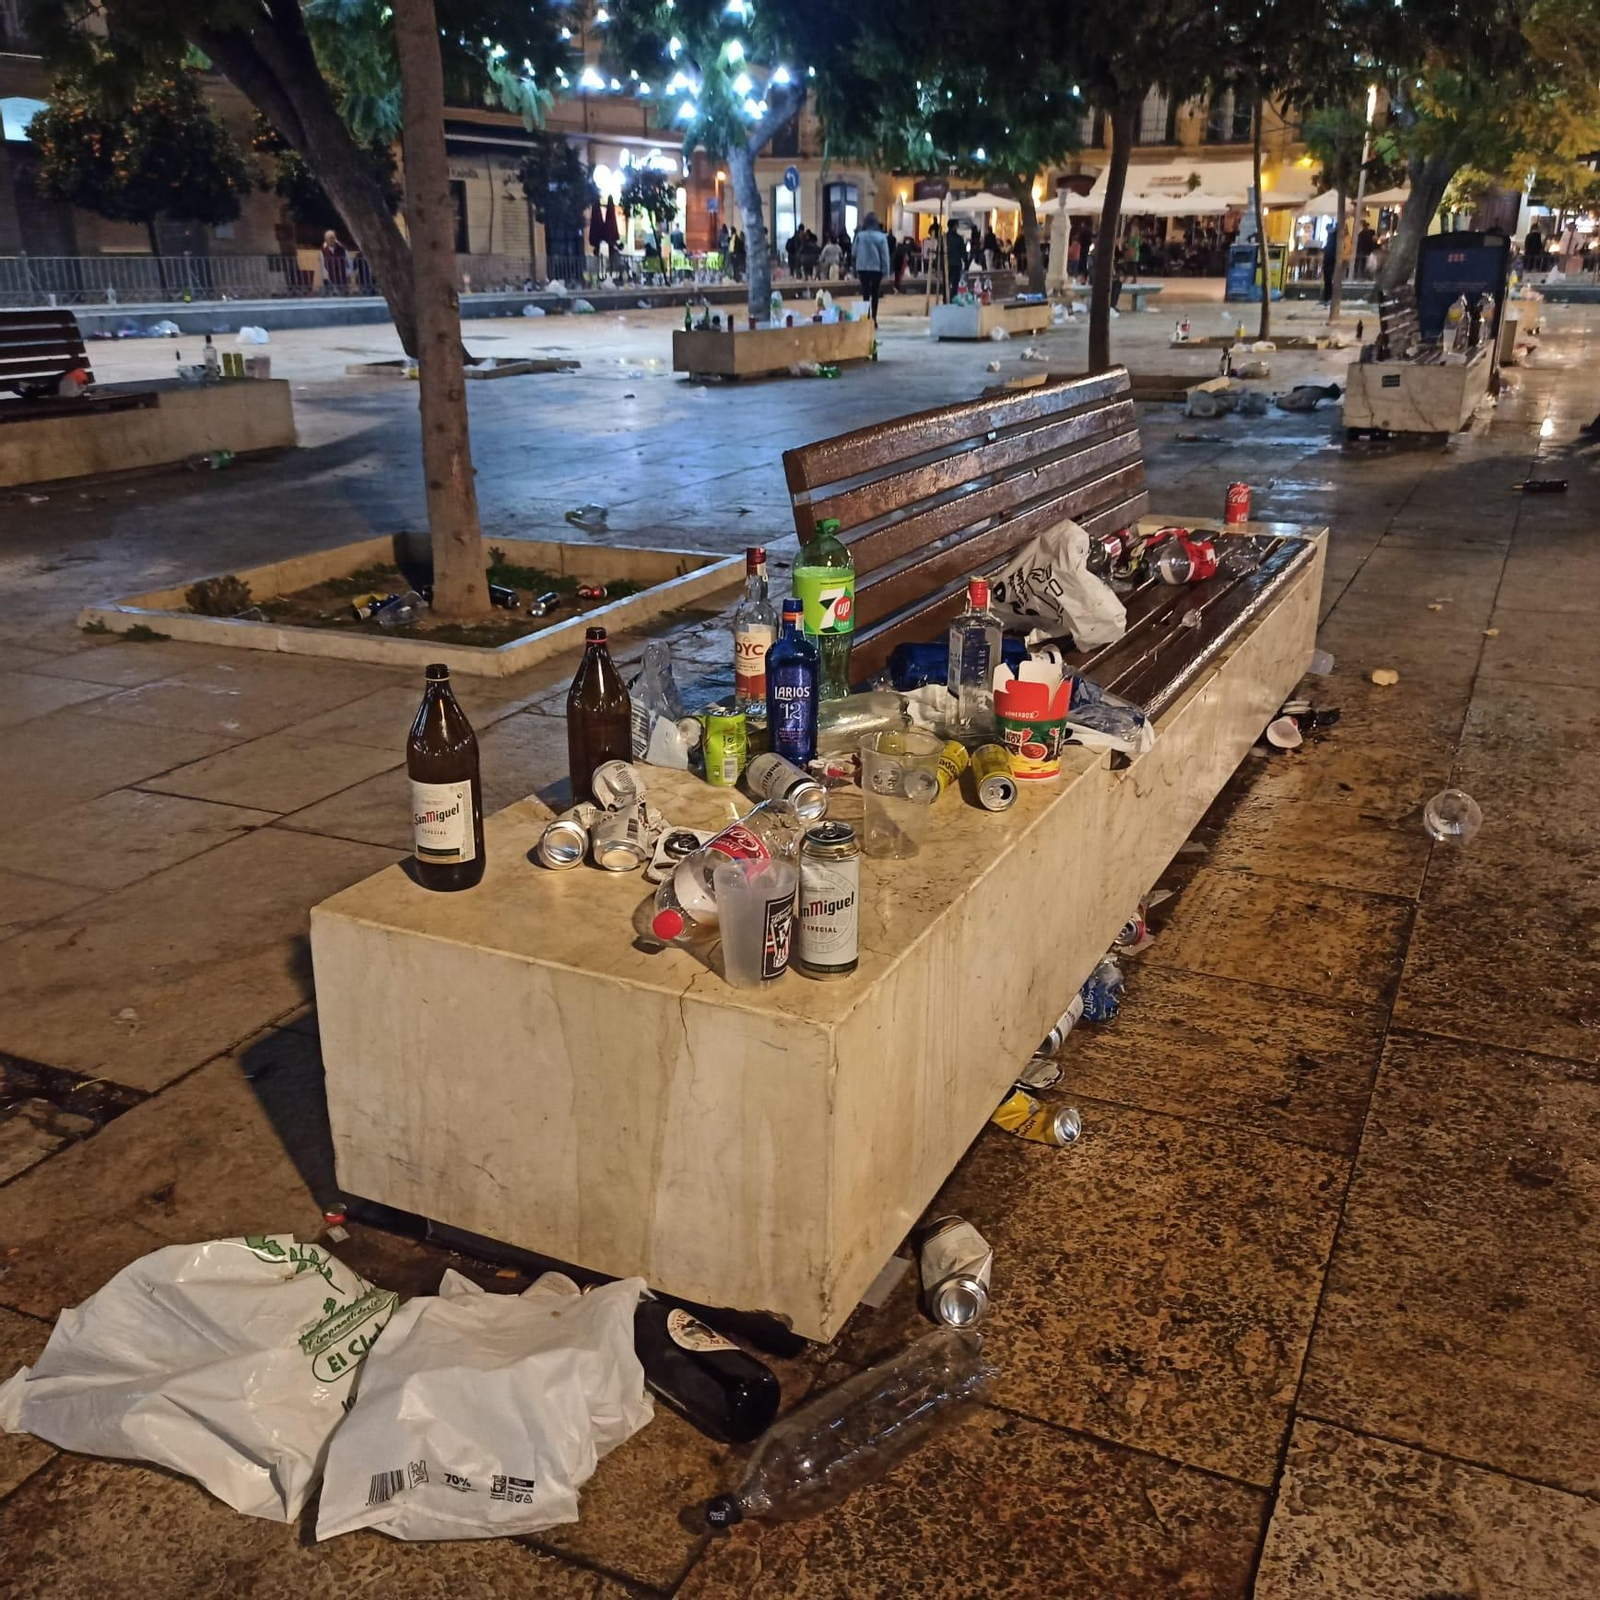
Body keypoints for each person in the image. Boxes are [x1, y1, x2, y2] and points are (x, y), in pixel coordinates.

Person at [852, 210, 891, 321]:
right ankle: (874, 318)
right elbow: (885, 255)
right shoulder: (881, 237)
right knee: (875, 293)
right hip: (876, 269)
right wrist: (886, 271)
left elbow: (854, 252)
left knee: (865, 293)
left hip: (862, 268)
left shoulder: (860, 236)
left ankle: (865, 317)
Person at [320, 229, 349, 295]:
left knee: (344, 294)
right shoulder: (323, 250)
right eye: (329, 238)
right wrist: (325, 276)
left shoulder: (342, 249)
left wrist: (348, 274)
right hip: (330, 277)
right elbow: (323, 264)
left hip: (342, 276)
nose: (331, 240)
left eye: (333, 238)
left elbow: (348, 261)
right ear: (326, 240)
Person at [1322, 224, 1340, 303]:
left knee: (1328, 280)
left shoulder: (1333, 236)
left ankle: (1328, 297)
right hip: (1329, 260)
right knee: (1328, 280)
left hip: (1329, 260)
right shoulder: (1333, 236)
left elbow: (1331, 249)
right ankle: (1327, 297)